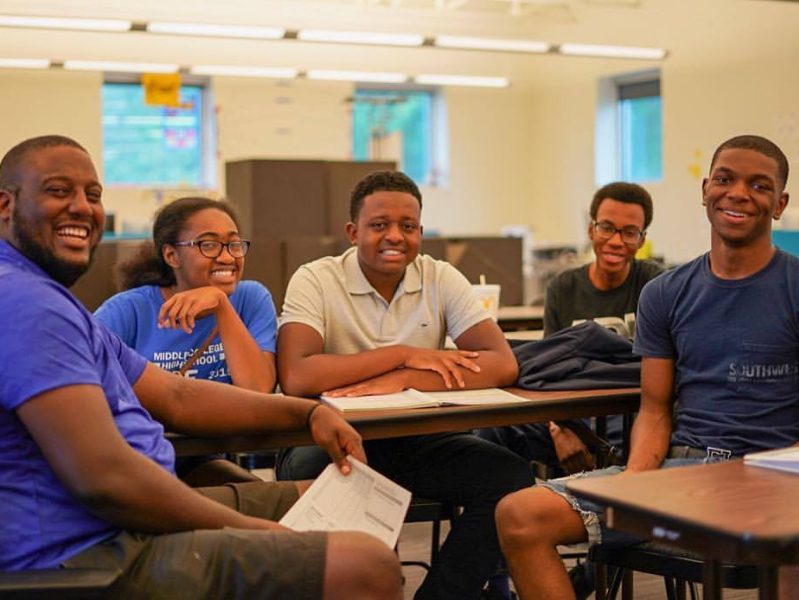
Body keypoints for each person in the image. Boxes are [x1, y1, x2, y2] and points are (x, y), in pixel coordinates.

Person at [0, 134, 402, 600]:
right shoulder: (28, 303)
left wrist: (308, 412)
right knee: (365, 564)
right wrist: (254, 530)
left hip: (123, 519)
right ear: (5, 205)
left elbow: (176, 397)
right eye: (57, 191)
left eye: (93, 195)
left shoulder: (46, 298)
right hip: (87, 551)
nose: (82, 208)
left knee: (346, 501)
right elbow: (104, 477)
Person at [495, 134, 799, 599]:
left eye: (759, 186)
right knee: (519, 516)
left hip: (772, 476)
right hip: (683, 474)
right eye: (725, 179)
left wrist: (775, 477)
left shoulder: (794, 286)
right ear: (705, 190)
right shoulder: (664, 293)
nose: (738, 193)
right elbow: (655, 410)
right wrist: (636, 484)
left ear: (779, 204)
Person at [276, 170, 533, 600]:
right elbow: (298, 376)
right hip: (325, 441)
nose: (395, 236)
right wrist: (400, 354)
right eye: (379, 225)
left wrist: (402, 378)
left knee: (509, 476)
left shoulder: (440, 277)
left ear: (420, 232)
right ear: (353, 232)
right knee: (336, 483)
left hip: (413, 438)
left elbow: (501, 364)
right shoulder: (315, 278)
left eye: (408, 226)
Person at [478, 182, 663, 474]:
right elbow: (548, 370)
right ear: (591, 230)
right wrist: (559, 430)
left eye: (629, 232)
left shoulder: (657, 285)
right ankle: (513, 499)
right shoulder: (563, 288)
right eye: (607, 228)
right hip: (569, 412)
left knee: (621, 442)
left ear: (642, 240)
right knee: (493, 430)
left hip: (628, 410)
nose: (616, 241)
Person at [96, 196, 276, 485]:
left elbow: (257, 390)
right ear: (171, 256)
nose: (227, 257)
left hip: (204, 457)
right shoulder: (127, 311)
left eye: (233, 244)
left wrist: (221, 306)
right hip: (139, 458)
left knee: (262, 495)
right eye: (208, 245)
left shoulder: (250, 299)